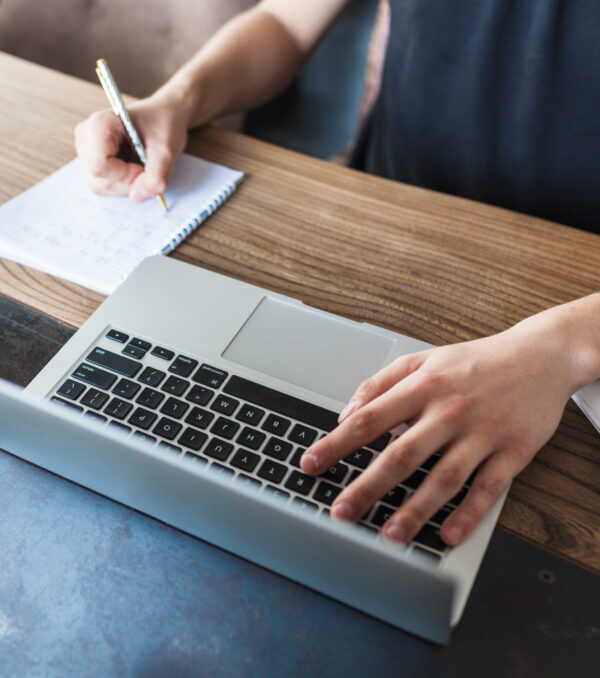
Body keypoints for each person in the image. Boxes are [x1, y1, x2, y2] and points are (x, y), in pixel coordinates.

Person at [74, 0, 600, 548]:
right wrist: (177, 101)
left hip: (570, 286)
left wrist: (564, 347)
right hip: (373, 219)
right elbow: (285, 22)